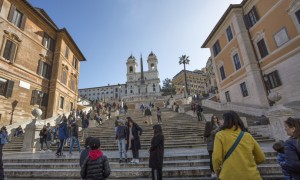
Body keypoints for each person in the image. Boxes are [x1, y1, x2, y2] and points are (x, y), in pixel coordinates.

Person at [212, 111, 265, 179]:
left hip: (229, 175)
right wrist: (247, 165)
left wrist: (217, 171)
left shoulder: (220, 135)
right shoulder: (247, 135)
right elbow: (261, 158)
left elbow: (216, 158)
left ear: (225, 121)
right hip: (252, 176)